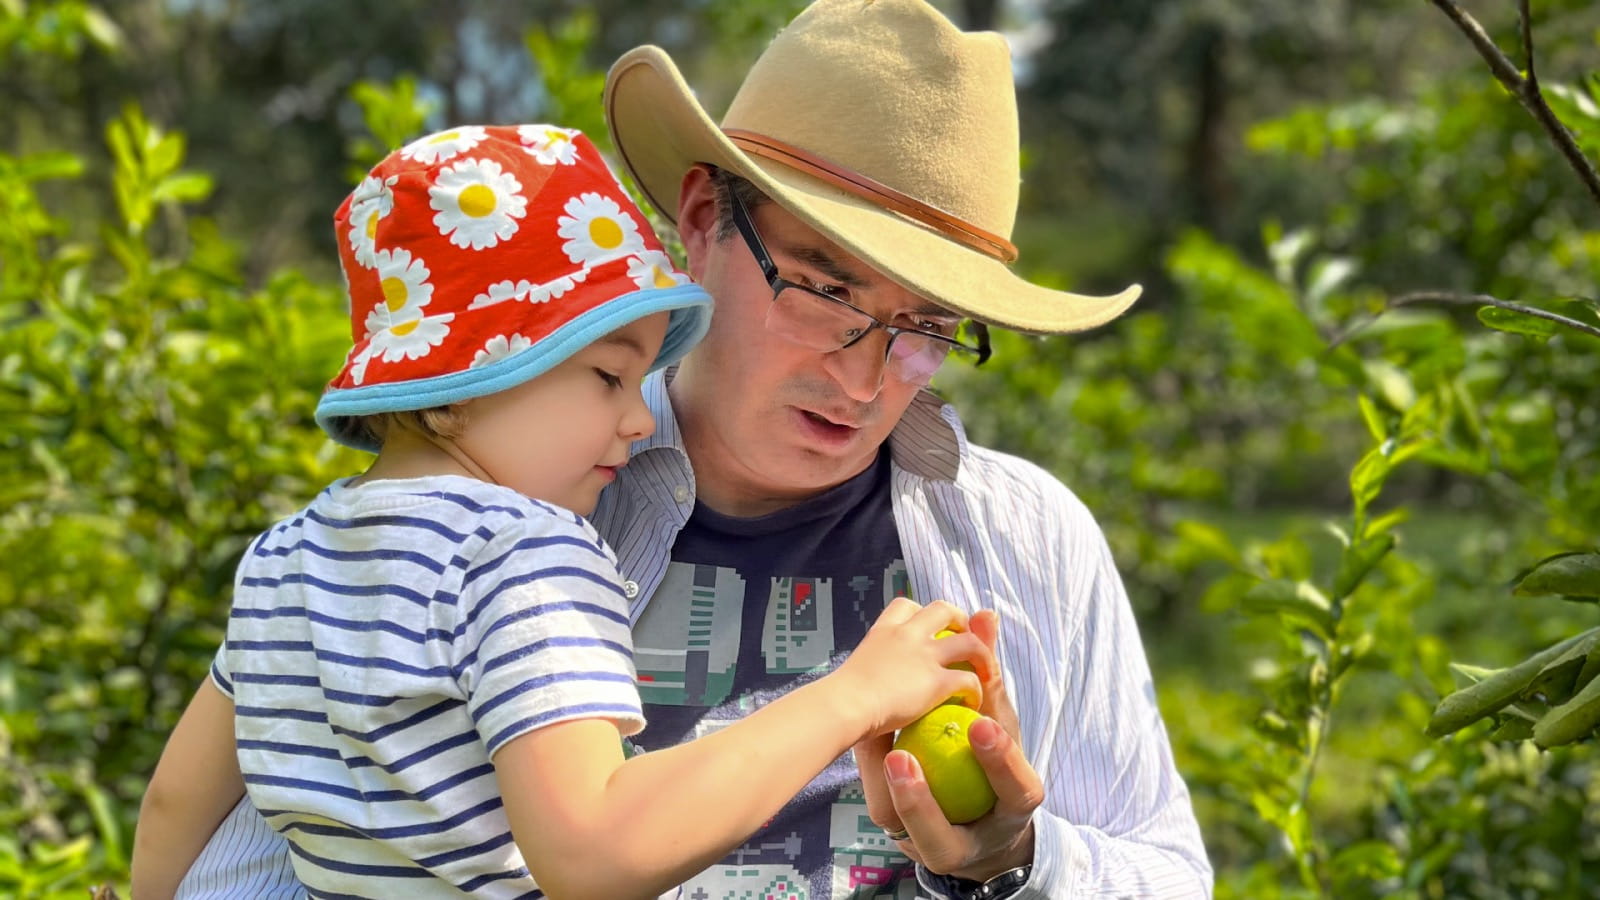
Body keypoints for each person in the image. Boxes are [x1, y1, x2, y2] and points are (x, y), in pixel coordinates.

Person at [172, 0, 1216, 897]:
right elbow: (278, 847)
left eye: (928, 326)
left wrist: (1014, 858)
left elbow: (1166, 872)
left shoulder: (1025, 537)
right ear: (704, 218)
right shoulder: (499, 513)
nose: (866, 378)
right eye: (827, 288)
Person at [129, 123, 998, 900]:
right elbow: (595, 852)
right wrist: (851, 697)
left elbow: (175, 801)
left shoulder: (285, 552)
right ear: (470, 374)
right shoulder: (525, 554)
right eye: (608, 376)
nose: (637, 417)